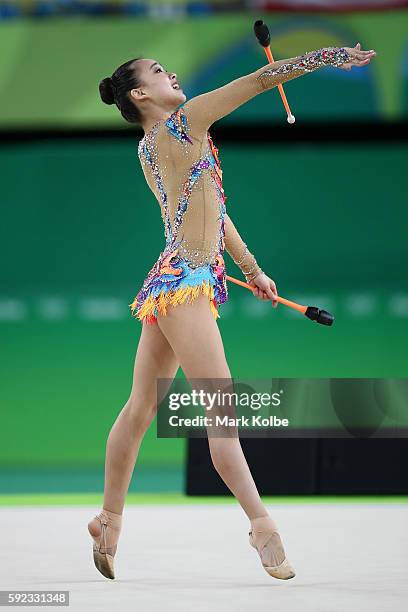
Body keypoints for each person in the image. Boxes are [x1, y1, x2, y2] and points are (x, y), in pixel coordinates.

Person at [88, 43, 376, 580]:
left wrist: (253, 268)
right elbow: (260, 80)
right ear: (140, 94)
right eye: (156, 70)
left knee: (140, 409)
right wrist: (329, 56)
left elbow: (214, 212)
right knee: (222, 416)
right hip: (185, 287)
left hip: (175, 279)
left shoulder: (153, 146)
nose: (169, 70)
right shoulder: (184, 123)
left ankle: (109, 519)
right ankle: (262, 525)